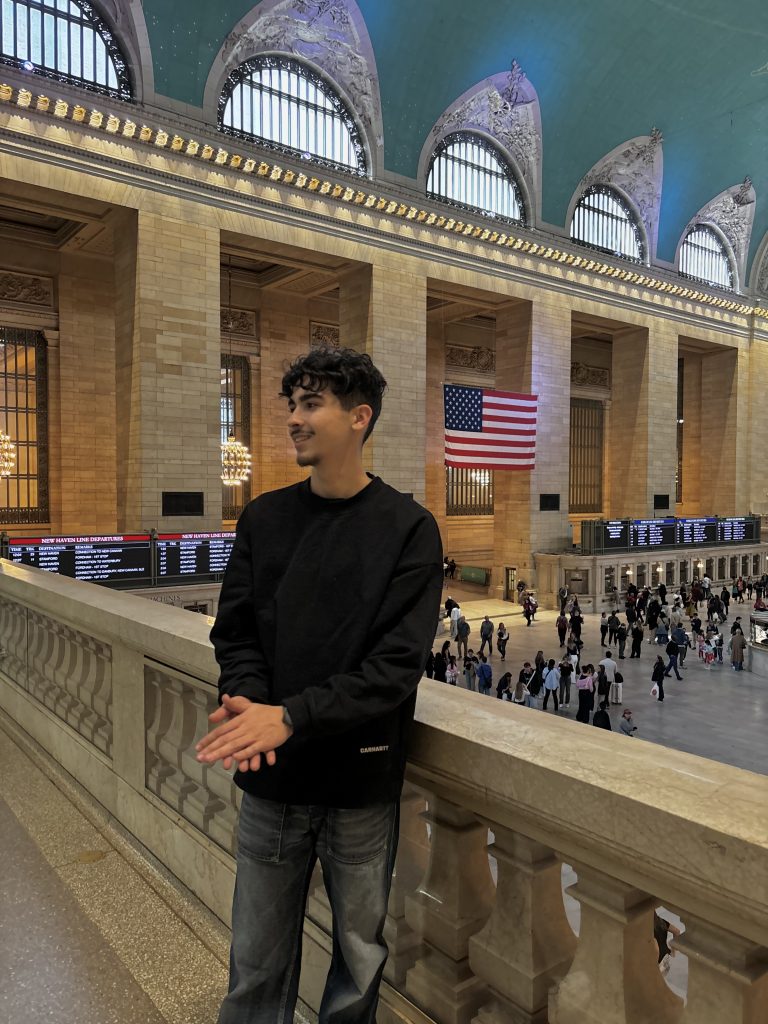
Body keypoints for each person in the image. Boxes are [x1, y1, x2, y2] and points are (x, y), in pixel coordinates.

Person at [201, 346, 442, 1022]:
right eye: (293, 405)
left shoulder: (409, 530)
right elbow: (237, 632)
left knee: (358, 960)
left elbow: (394, 668)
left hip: (359, 785)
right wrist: (250, 700)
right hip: (272, 780)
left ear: (359, 418)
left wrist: (290, 716)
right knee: (254, 962)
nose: (294, 420)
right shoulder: (264, 519)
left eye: (311, 405)